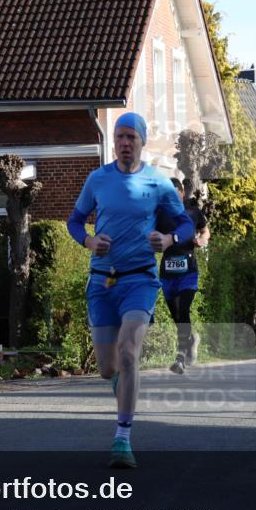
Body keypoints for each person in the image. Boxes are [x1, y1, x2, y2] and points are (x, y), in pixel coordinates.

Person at [66, 112, 193, 469]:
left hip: (140, 279)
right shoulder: (98, 179)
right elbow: (74, 221)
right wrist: (89, 241)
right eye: (120, 136)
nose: (125, 143)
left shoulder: (158, 182)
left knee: (128, 353)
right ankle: (123, 386)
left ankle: (122, 438)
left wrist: (168, 239)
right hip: (101, 280)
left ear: (142, 142)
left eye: (131, 137)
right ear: (114, 141)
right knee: (108, 369)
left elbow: (185, 223)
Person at [157, 178, 209, 375]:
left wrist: (201, 240)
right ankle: (191, 339)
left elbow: (205, 231)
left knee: (183, 309)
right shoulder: (160, 214)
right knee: (176, 315)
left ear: (180, 193)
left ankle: (180, 357)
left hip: (188, 271)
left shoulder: (193, 212)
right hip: (168, 271)